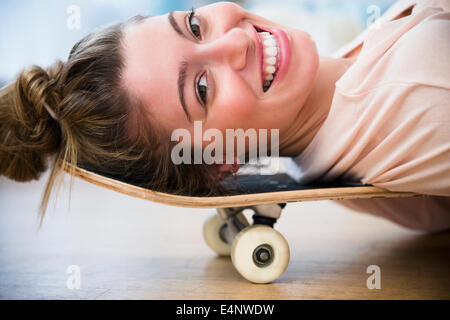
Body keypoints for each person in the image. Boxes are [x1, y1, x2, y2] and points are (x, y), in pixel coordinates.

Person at [0, 1, 448, 230]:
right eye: (201, 88)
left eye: (194, 26)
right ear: (219, 161)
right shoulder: (419, 87)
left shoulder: (324, 152)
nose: (236, 41)